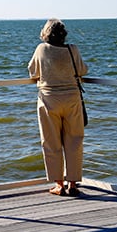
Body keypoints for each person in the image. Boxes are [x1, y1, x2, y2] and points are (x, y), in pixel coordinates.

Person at [28, 18, 88, 197]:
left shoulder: (41, 49)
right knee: (74, 141)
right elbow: (83, 70)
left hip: (49, 99)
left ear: (46, 33)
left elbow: (33, 72)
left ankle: (59, 184)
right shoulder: (73, 49)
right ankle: (73, 184)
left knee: (51, 141)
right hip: (72, 99)